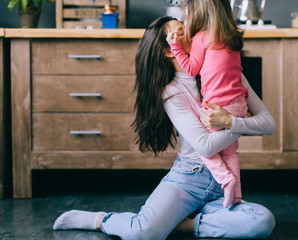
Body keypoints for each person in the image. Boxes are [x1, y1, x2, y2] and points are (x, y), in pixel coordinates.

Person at [53, 16, 276, 240]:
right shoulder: (171, 92)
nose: (191, 32)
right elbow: (205, 147)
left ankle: (179, 225)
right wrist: (241, 120)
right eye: (182, 30)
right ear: (171, 50)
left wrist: (230, 121)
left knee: (262, 221)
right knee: (144, 233)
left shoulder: (227, 70)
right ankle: (101, 220)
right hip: (188, 178)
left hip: (224, 182)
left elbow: (268, 124)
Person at [166, 0, 248, 208]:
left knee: (203, 148)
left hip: (218, 108)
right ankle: (236, 196)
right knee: (230, 151)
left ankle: (225, 180)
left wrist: (175, 46)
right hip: (239, 104)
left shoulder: (202, 38)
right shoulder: (232, 39)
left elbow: (192, 69)